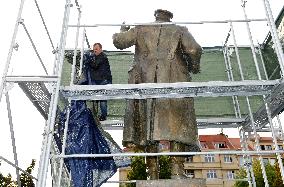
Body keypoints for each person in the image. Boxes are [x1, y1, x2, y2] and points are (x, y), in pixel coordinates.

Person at [113, 9, 202, 179]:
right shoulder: (179, 30)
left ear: (155, 17)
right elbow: (194, 50)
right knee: (177, 125)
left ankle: (153, 174)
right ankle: (177, 171)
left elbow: (119, 42)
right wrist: (193, 67)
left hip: (145, 81)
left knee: (148, 128)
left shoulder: (141, 29)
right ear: (170, 18)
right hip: (174, 80)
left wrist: (123, 30)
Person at [84, 43, 112, 121]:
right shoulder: (96, 57)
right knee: (98, 98)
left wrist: (88, 60)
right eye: (94, 49)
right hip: (99, 81)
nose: (94, 50)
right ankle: (98, 115)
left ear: (101, 49)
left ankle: (103, 115)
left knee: (102, 99)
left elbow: (95, 65)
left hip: (104, 81)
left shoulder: (102, 57)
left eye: (96, 48)